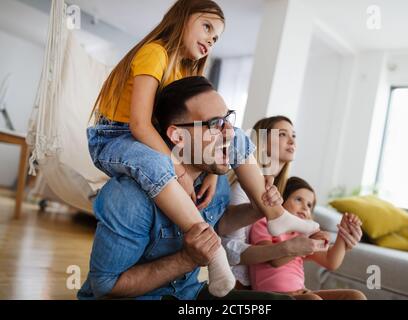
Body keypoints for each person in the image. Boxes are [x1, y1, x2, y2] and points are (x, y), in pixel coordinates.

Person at [87, 0, 318, 297]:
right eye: (207, 27)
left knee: (239, 138)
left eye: (216, 36)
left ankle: (274, 214)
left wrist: (214, 170)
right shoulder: (155, 53)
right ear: (181, 19)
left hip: (158, 146)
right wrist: (179, 170)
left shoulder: (184, 72)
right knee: (157, 165)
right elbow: (141, 126)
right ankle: (213, 252)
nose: (211, 38)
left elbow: (221, 219)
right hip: (116, 136)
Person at [78, 76, 296, 300]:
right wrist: (187, 259)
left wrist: (257, 209)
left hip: (188, 295)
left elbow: (218, 224)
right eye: (215, 124)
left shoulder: (213, 178)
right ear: (178, 136)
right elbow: (106, 286)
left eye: (228, 119)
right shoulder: (129, 197)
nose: (229, 132)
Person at [221, 116, 363, 290]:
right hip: (238, 287)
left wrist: (344, 239)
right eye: (282, 134)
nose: (292, 140)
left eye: (294, 135)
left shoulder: (279, 193)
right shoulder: (241, 189)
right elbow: (229, 251)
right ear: (262, 142)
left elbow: (326, 257)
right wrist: (288, 248)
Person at [249, 177, 367, 300]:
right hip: (274, 296)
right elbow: (274, 261)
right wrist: (306, 243)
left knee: (356, 296)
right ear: (281, 201)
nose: (305, 207)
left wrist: (343, 234)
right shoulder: (265, 224)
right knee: (313, 299)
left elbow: (331, 261)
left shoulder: (301, 234)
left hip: (302, 293)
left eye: (309, 205)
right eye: (299, 200)